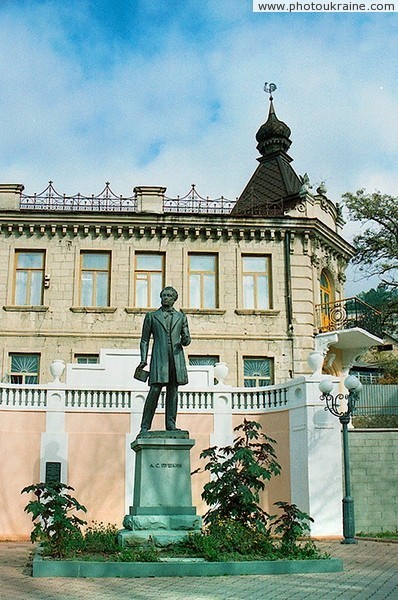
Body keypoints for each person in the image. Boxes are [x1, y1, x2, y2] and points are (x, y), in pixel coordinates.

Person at [137, 286, 191, 434]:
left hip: (176, 358)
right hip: (159, 358)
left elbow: (186, 339)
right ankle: (144, 426)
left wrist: (186, 339)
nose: (165, 298)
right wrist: (143, 359)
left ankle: (171, 425)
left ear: (174, 299)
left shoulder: (181, 317)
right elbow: (144, 340)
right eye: (163, 295)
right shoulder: (152, 316)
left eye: (169, 295)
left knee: (173, 391)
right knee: (154, 390)